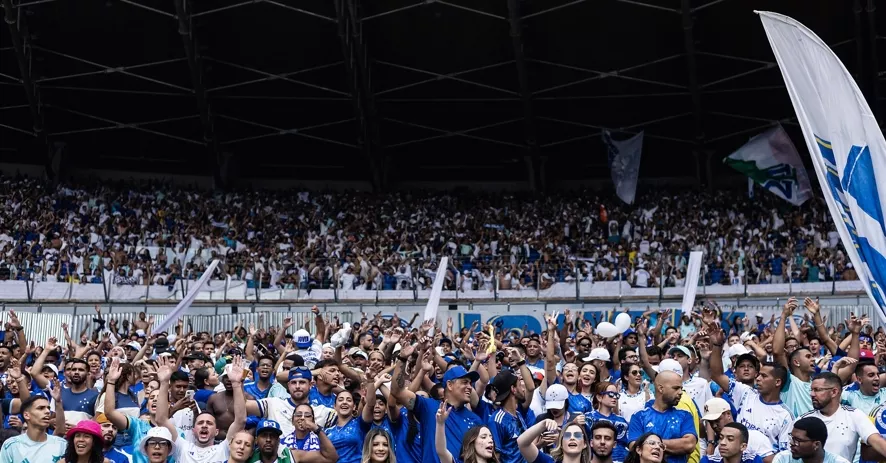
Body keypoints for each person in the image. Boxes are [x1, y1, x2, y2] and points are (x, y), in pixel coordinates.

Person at [391, 343, 483, 463]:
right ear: (449, 385)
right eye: (465, 382)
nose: (470, 387)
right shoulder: (428, 407)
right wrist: (402, 359)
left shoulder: (475, 419)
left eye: (470, 384)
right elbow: (397, 392)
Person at [154, 355, 248, 463]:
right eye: (200, 423)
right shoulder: (182, 447)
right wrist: (165, 382)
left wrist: (236, 384)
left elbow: (240, 421)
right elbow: (161, 419)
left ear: (216, 431)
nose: (204, 425)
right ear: (193, 431)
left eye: (209, 423)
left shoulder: (224, 448)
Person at [797, 372, 886, 462]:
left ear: (834, 392)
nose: (812, 394)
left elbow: (876, 440)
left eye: (817, 390)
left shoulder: (854, 415)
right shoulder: (803, 420)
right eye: (811, 390)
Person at [626, 371, 697, 463]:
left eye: (681, 388)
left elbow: (689, 444)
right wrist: (676, 445)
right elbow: (634, 446)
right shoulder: (639, 416)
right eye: (676, 388)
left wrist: (650, 444)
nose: (680, 392)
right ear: (660, 388)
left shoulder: (685, 415)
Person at [700, 398, 773, 463]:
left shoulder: (755, 437)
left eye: (717, 420)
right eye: (710, 422)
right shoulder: (716, 452)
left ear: (728, 414)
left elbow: (770, 461)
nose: (714, 425)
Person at [0, 395, 67, 463]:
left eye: (48, 408)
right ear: (26, 415)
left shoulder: (62, 445)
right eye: (41, 408)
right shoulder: (11, 446)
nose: (47, 411)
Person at [771, 417, 849, 463]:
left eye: (797, 440)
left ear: (816, 445)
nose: (791, 443)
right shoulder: (784, 459)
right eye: (792, 438)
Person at [585, 381, 628, 463]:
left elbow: (625, 444)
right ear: (599, 397)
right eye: (611, 394)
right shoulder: (588, 417)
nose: (614, 397)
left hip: (620, 459)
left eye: (617, 395)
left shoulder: (622, 421)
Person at [326, 389, 371, 463]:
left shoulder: (360, 424)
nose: (344, 402)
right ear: (334, 406)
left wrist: (371, 382)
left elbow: (370, 406)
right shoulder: (327, 431)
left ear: (354, 407)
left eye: (349, 400)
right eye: (340, 400)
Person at [517, 418, 590, 463]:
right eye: (567, 435)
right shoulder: (548, 462)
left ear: (585, 444)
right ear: (561, 442)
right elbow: (522, 443)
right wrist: (543, 424)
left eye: (577, 435)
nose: (572, 438)